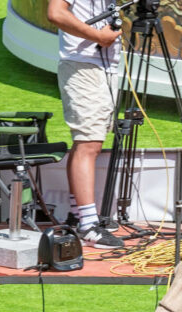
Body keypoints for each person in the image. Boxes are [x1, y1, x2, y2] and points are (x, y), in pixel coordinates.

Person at [46, 0, 124, 249]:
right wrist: (97, 36)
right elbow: (55, 13)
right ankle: (88, 225)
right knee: (88, 143)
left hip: (103, 66)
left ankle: (78, 214)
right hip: (82, 65)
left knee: (88, 143)